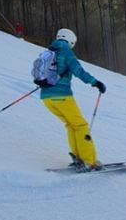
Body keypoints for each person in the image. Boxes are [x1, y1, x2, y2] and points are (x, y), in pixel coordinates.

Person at [39, 28, 107, 172]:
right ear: (71, 41)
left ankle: (78, 157)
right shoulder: (66, 52)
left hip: (46, 97)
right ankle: (89, 161)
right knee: (81, 126)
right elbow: (78, 71)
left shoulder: (48, 52)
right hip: (62, 96)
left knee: (71, 125)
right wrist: (95, 82)